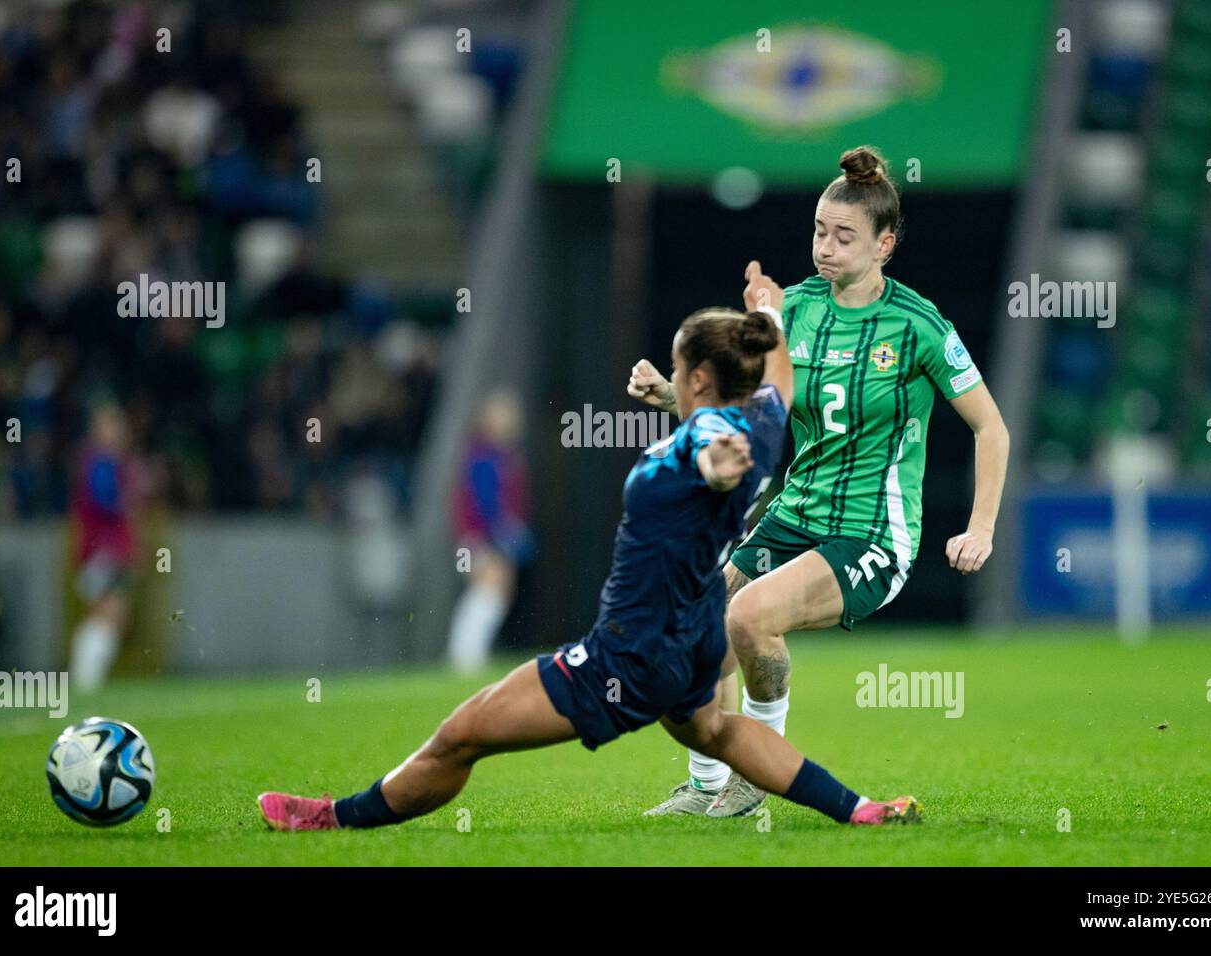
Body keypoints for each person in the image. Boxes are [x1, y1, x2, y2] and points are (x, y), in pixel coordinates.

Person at [258, 297, 921, 832]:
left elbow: (712, 455)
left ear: (695, 378)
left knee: (460, 736)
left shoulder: (709, 436)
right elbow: (778, 383)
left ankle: (332, 819)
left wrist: (720, 465)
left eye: (677, 366)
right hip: (692, 643)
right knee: (717, 729)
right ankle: (859, 809)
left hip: (627, 657)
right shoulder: (764, 423)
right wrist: (770, 316)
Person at [632, 146, 1010, 817]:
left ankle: (758, 780)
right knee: (687, 637)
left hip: (872, 531)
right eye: (818, 232)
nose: (825, 249)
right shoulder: (795, 310)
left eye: (844, 237)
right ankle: (706, 784)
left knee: (749, 617)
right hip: (794, 512)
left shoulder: (918, 325)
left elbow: (991, 428)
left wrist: (979, 527)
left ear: (884, 244)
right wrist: (670, 395)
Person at [446, 389, 533, 673]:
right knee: (488, 588)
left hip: (487, 535)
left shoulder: (506, 456)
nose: (508, 420)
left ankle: (468, 652)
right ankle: (464, 654)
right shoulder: (482, 455)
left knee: (495, 591)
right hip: (476, 536)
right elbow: (482, 502)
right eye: (501, 414)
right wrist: (499, 533)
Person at [68, 403, 141, 693]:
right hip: (102, 552)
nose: (119, 432)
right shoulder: (100, 464)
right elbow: (107, 503)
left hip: (105, 550)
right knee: (107, 613)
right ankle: (85, 678)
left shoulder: (106, 464)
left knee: (110, 615)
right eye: (111, 425)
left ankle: (86, 678)